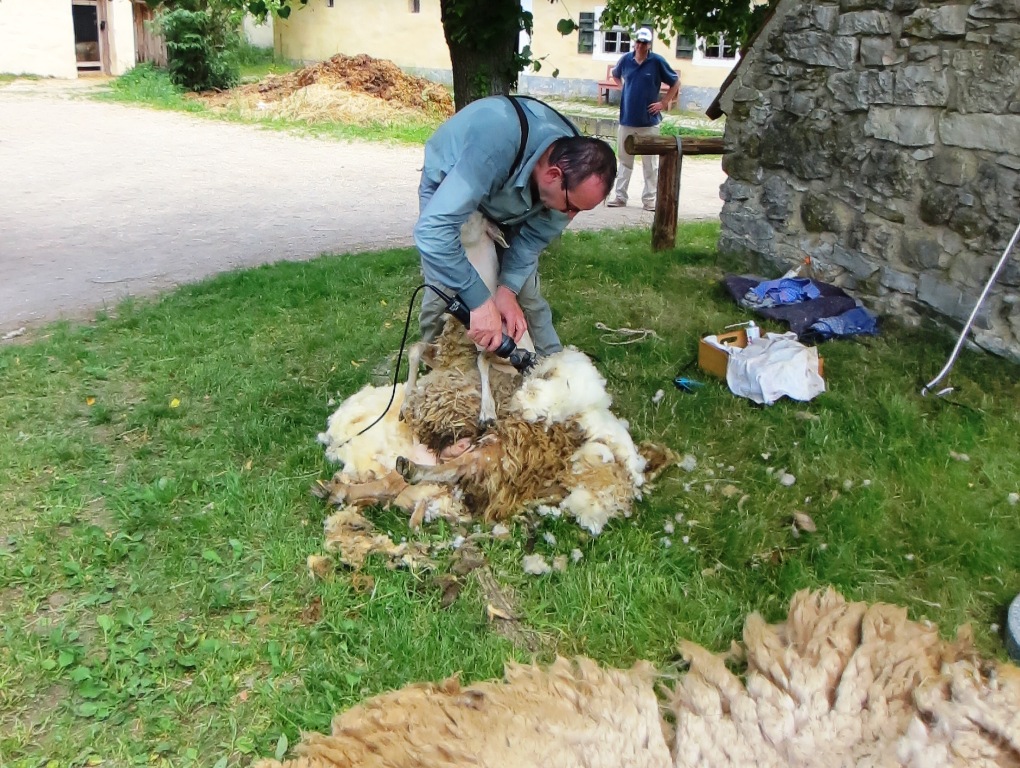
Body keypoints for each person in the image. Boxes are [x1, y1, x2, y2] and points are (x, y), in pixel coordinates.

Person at [414, 96, 617, 356]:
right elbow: (434, 232)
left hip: (512, 195)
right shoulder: (495, 143)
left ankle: (554, 372)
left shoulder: (574, 175)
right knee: (444, 292)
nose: (570, 216)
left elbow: (531, 242)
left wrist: (507, 291)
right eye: (571, 207)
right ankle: (437, 368)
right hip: (455, 184)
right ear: (553, 175)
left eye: (580, 210)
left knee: (527, 295)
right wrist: (480, 302)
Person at [606, 27, 680, 211]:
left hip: (649, 122)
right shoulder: (626, 60)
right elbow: (616, 74)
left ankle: (649, 200)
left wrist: (663, 103)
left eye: (644, 43)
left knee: (650, 164)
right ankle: (620, 197)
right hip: (627, 120)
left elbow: (675, 82)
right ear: (634, 42)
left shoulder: (656, 62)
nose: (640, 45)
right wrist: (624, 88)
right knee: (624, 160)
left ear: (649, 45)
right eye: (638, 41)